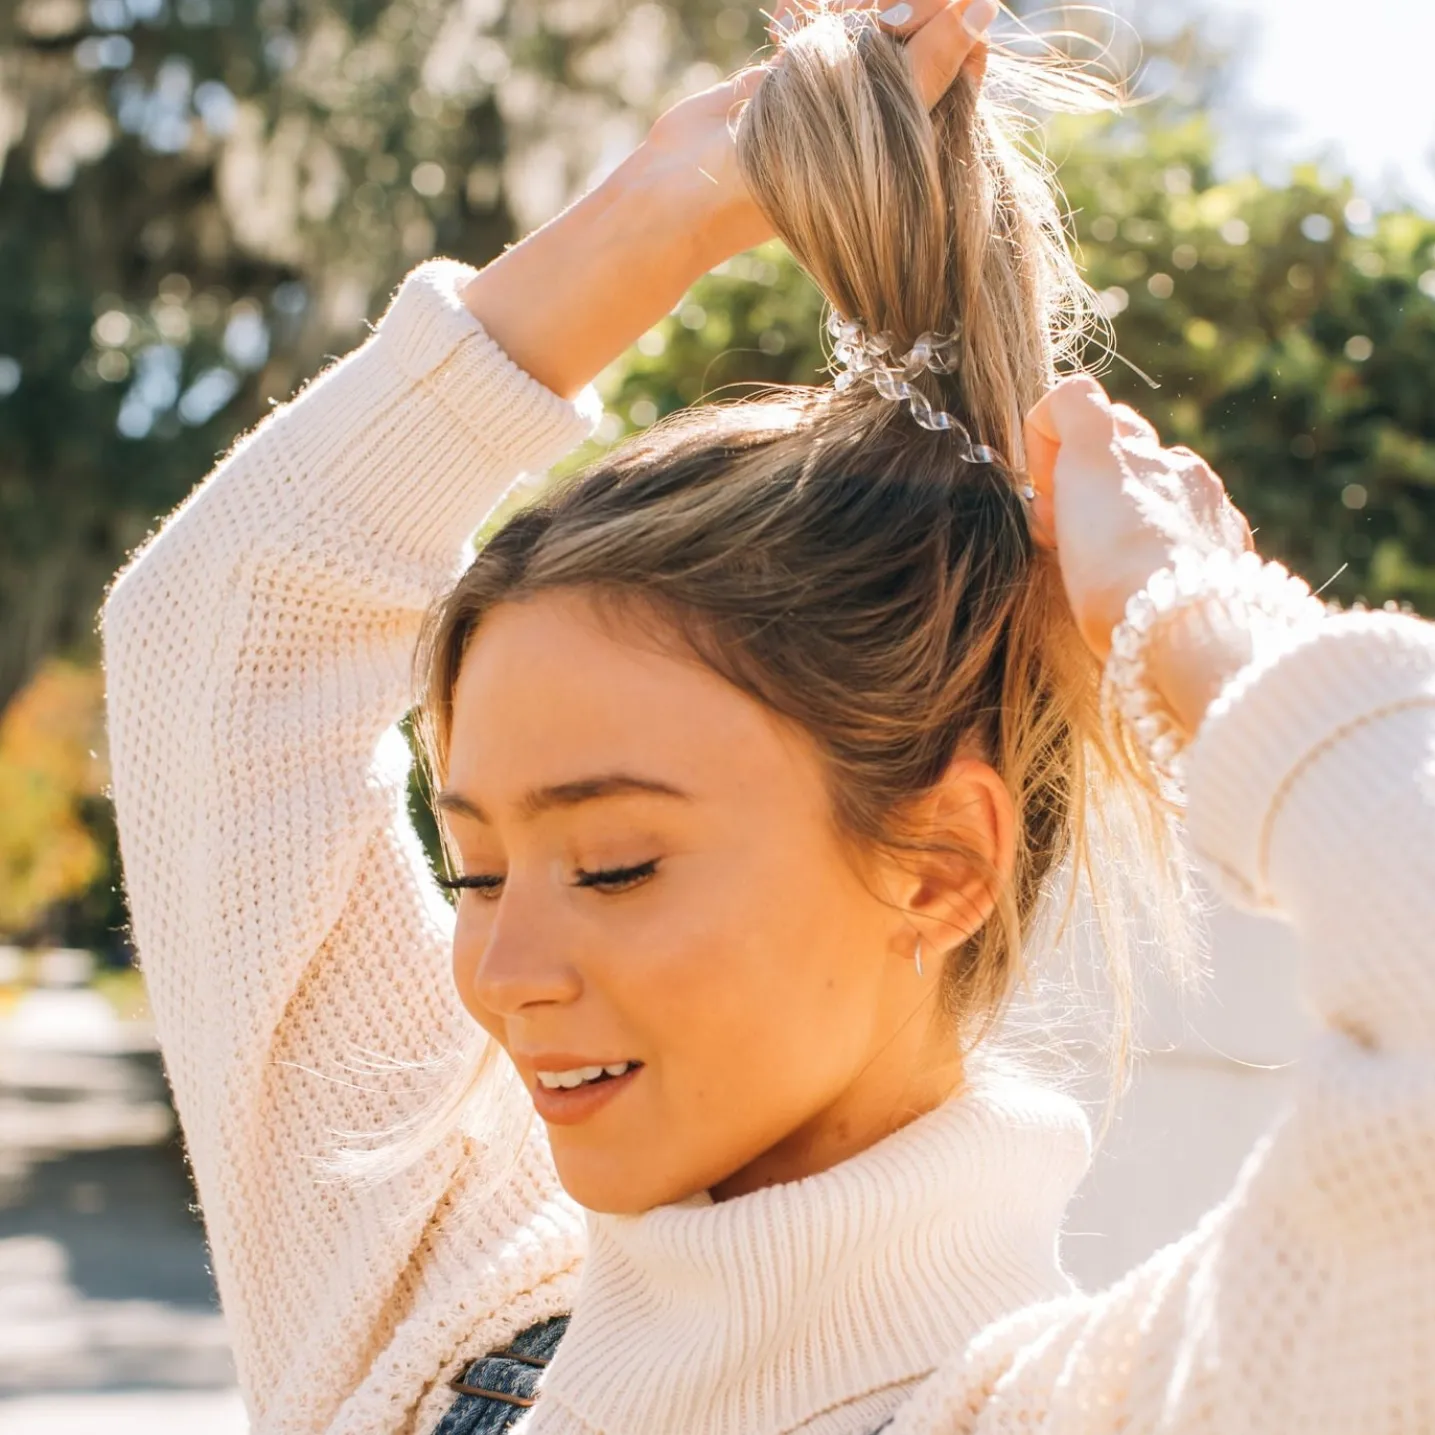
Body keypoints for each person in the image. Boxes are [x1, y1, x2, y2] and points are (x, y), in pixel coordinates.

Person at [100, 1, 1434, 1432]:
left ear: (939, 864)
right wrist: (654, 213)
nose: (500, 968)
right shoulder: (430, 1316)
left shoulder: (1128, 1404)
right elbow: (216, 645)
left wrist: (1184, 608)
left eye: (613, 861)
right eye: (476, 866)